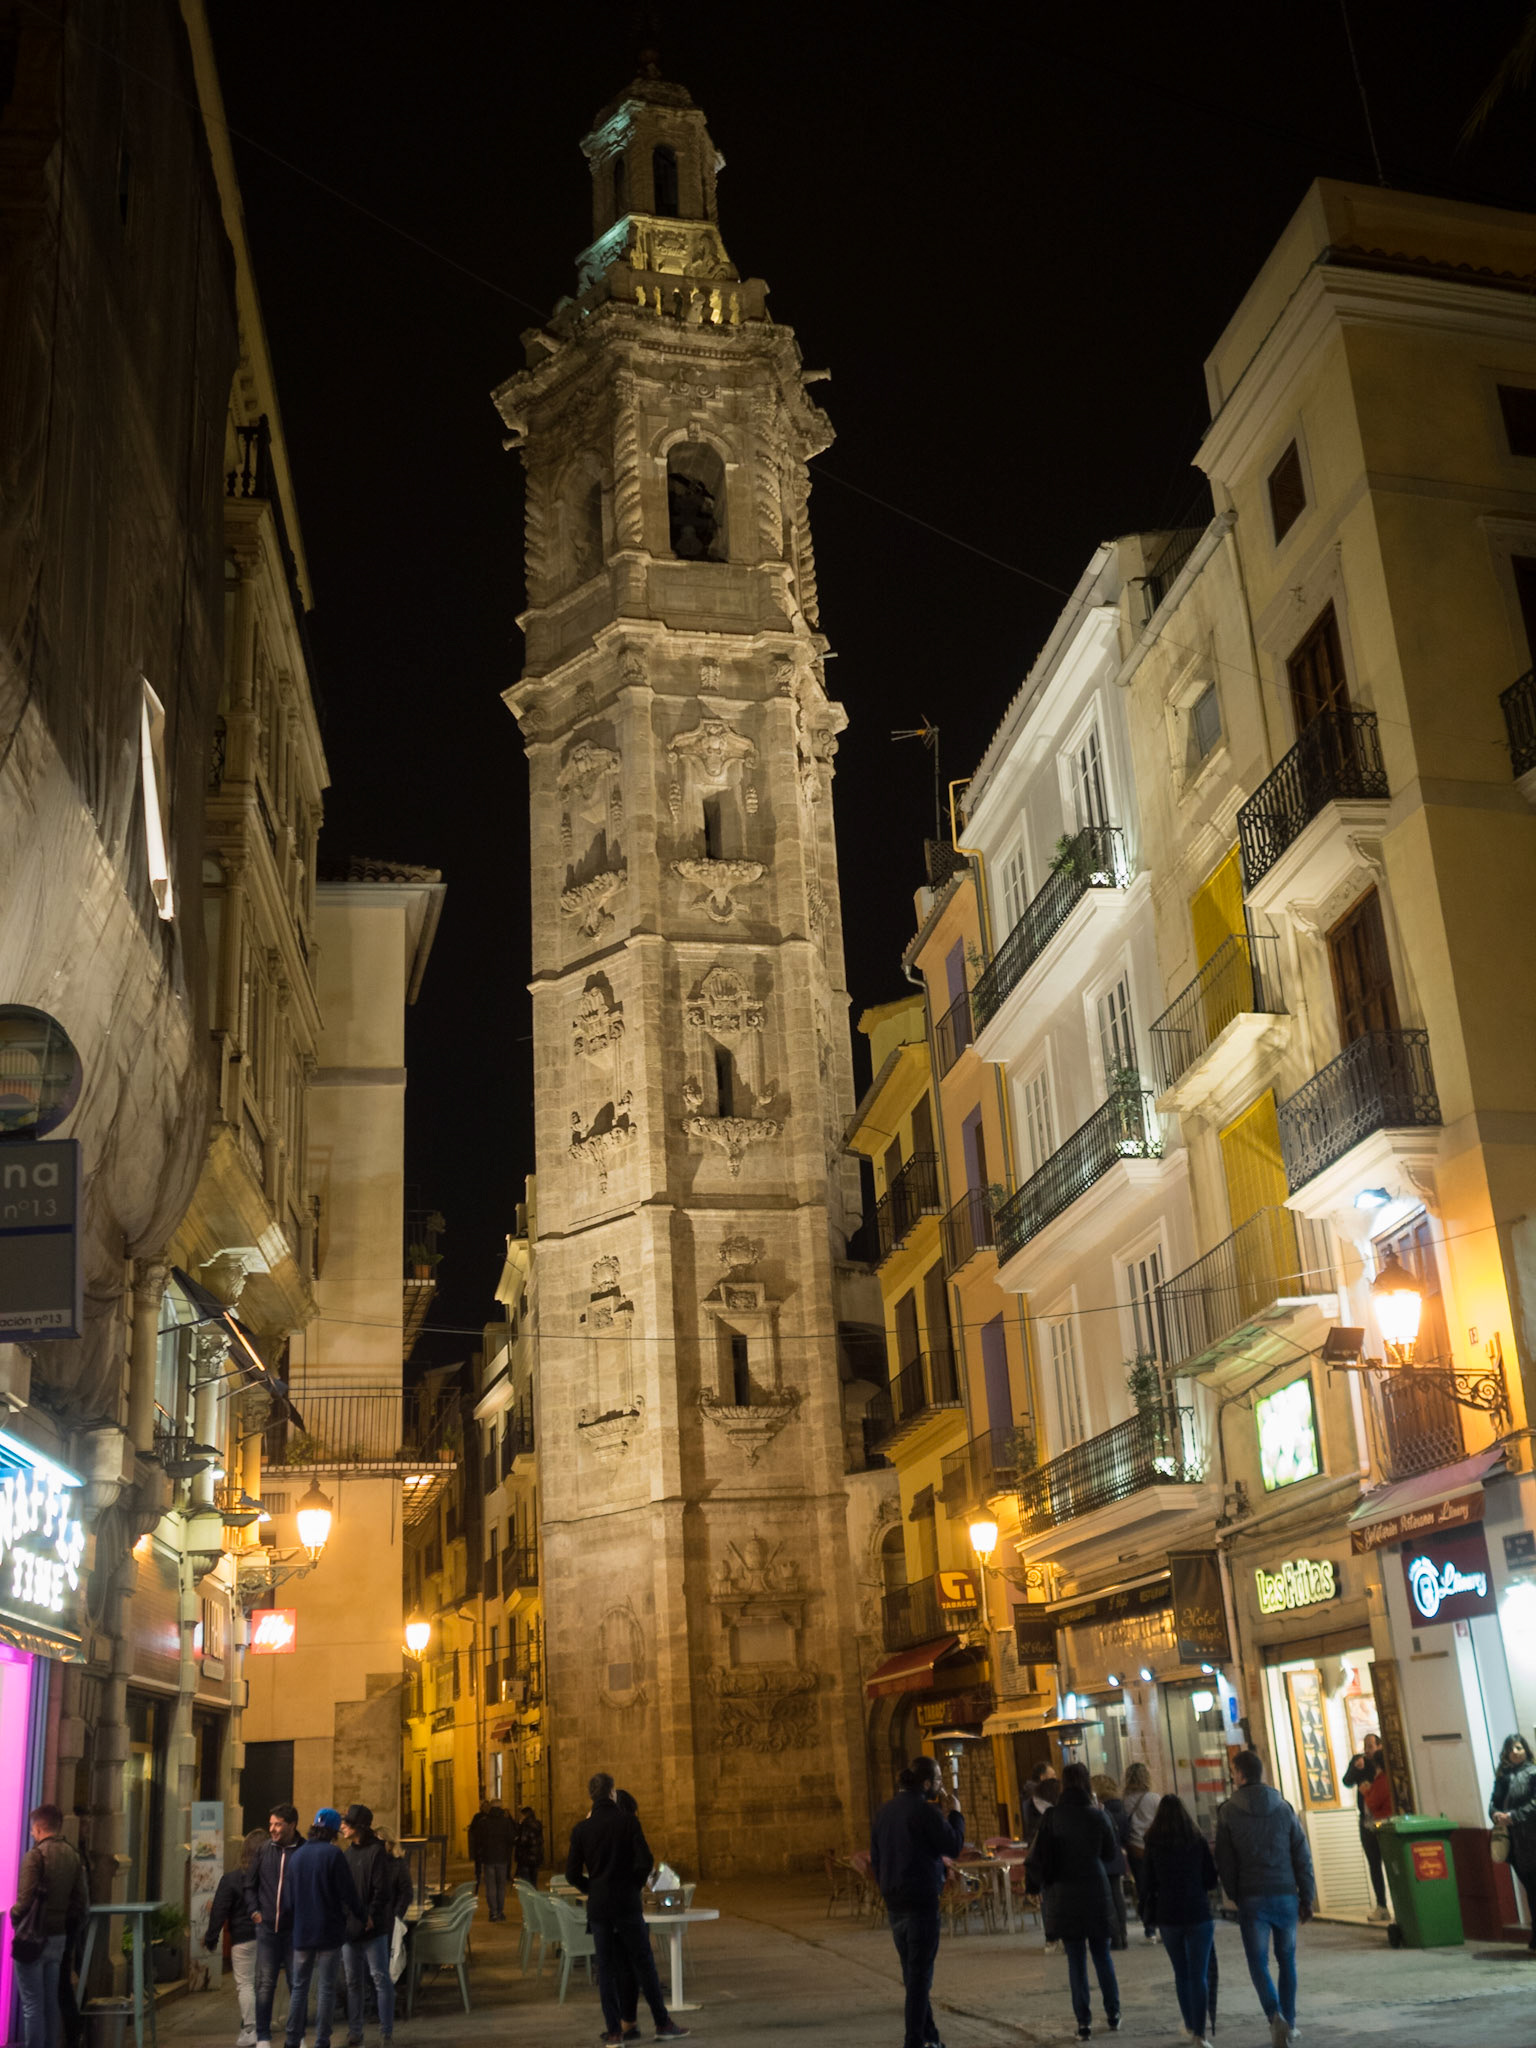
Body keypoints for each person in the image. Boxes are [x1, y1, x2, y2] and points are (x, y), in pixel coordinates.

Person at [565, 1771, 690, 2044]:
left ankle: (614, 2032)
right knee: (644, 1963)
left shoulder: (581, 1830)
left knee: (606, 1970)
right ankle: (662, 2023)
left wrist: (593, 1888)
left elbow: (571, 1874)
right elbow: (645, 1862)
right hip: (627, 1905)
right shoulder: (628, 1823)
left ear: (591, 1796)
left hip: (599, 1909)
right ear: (612, 1793)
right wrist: (631, 1887)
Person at [1215, 1749, 1314, 2048]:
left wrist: (1234, 1892)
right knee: (1287, 1960)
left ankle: (1274, 2016)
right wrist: (1306, 1895)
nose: (1232, 1776)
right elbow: (1302, 1854)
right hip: (1285, 1894)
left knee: (1258, 1961)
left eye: (1233, 1771)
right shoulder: (1284, 1808)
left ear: (1241, 1774)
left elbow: (1225, 1859)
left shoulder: (1228, 1812)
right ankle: (1291, 2022)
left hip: (1252, 1897)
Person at [869, 1754, 964, 2048]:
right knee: (920, 1977)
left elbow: (877, 1857)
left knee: (912, 1973)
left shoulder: (884, 1812)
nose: (940, 1786)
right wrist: (956, 1815)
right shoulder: (925, 1812)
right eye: (937, 1780)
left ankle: (929, 2036)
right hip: (920, 1903)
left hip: (895, 1902)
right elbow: (953, 1846)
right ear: (926, 1783)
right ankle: (914, 2040)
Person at [1027, 1762, 1119, 2043]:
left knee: (1076, 1959)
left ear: (1063, 1785)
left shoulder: (1052, 1817)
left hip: (1065, 1894)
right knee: (1102, 1955)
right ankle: (1113, 2014)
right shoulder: (1097, 1816)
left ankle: (1083, 2023)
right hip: (1095, 1890)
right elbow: (1110, 1853)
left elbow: (1040, 1855)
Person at [1139, 1795, 1218, 2048]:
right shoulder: (1197, 1841)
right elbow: (1211, 1879)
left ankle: (1190, 2024)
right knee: (1199, 1975)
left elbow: (1147, 1883)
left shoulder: (1153, 1844)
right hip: (1198, 1912)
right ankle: (1201, 2034)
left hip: (1169, 1915)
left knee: (1181, 1973)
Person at [282, 1808, 363, 2048]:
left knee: (299, 1987)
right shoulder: (333, 1855)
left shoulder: (297, 1856)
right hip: (329, 1931)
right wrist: (362, 1915)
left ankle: (292, 2039)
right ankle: (321, 2040)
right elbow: (348, 1893)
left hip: (302, 1933)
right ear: (332, 1831)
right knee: (326, 1988)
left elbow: (288, 1901)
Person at [11, 1803, 87, 2048]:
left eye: (33, 1829)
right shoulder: (72, 1855)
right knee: (50, 2001)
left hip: (33, 1938)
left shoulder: (35, 1856)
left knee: (32, 2004)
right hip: (59, 1938)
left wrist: (14, 1917)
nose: (32, 1834)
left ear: (39, 1828)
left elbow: (24, 1901)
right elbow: (81, 1901)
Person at [247, 1802, 302, 2048]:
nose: (273, 1829)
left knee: (296, 1984)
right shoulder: (263, 1850)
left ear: (292, 1825)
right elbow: (250, 1884)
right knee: (265, 1984)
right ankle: (263, 2037)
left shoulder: (303, 1851)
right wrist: (254, 1911)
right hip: (267, 1928)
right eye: (271, 1824)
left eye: (278, 1824)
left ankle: (298, 2036)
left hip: (294, 1930)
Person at [339, 1804, 395, 2045]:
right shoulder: (347, 1855)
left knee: (379, 1978)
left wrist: (370, 1915)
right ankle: (355, 2031)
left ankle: (386, 2031)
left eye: (347, 1823)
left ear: (358, 1827)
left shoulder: (376, 1852)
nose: (342, 1826)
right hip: (351, 1930)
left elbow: (382, 1889)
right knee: (353, 1981)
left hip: (373, 1929)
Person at [205, 1829, 265, 2048]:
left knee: (245, 1985)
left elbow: (219, 1910)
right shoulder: (270, 1878)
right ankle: (262, 2024)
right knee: (263, 1983)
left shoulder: (231, 1879)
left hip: (242, 1939)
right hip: (267, 1937)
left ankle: (250, 2027)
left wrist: (211, 1938)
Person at [1490, 1733, 1536, 1950]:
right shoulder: (1503, 1777)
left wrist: (1514, 1816)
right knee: (1530, 1887)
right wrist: (1496, 1814)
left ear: (1526, 1749)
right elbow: (1494, 1802)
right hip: (1515, 1843)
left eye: (1519, 1747)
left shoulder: (1533, 1773)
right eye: (1511, 1749)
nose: (1515, 1752)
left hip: (1532, 1837)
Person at [1342, 1733, 1390, 1919]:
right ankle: (1381, 1905)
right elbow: (1346, 1781)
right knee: (1374, 1863)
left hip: (1383, 1820)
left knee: (1390, 1862)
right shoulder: (1359, 1761)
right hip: (1366, 1821)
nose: (1367, 1749)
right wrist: (1355, 1768)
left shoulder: (1383, 1766)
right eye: (1365, 1746)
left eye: (1370, 1746)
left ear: (1379, 1746)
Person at [1120, 1761, 1160, 1937]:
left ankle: (1148, 1926)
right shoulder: (1154, 1798)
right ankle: (1160, 1921)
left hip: (1134, 1849)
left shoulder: (1124, 1801)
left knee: (1143, 1887)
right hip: (1154, 1848)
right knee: (1157, 1886)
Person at [1090, 1776, 1130, 1950]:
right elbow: (1125, 1835)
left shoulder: (1099, 1810)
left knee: (1106, 1899)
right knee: (1117, 1896)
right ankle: (1122, 1934)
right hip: (1116, 1857)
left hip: (1103, 1859)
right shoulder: (1121, 1807)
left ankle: (1113, 1936)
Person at [478, 1798, 515, 1923]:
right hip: (502, 1857)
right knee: (501, 1886)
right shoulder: (505, 1822)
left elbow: (479, 1839)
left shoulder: (484, 1822)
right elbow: (511, 1838)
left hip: (488, 1858)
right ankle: (500, 1911)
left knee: (491, 1886)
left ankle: (493, 1913)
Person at [514, 1803, 544, 1886]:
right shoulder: (538, 1824)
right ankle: (534, 1896)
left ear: (525, 1815)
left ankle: (528, 1898)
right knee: (534, 1880)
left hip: (525, 1857)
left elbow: (523, 1841)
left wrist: (516, 1840)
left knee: (526, 1881)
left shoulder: (525, 1825)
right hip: (536, 1856)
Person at [466, 1798, 490, 1894]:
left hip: (487, 1844)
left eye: (488, 1806)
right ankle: (478, 1876)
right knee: (479, 1862)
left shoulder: (491, 1817)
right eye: (485, 1806)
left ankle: (486, 1876)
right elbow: (472, 1829)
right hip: (479, 1843)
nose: (486, 1808)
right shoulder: (477, 1816)